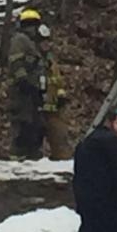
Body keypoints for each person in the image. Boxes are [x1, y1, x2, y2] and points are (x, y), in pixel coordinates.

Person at [8, 9, 47, 159]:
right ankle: (18, 156)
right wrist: (24, 82)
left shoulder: (32, 43)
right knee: (23, 123)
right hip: (22, 91)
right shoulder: (20, 40)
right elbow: (16, 63)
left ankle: (32, 156)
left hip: (33, 90)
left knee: (36, 125)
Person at [38, 26, 71, 160]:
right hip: (37, 108)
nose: (46, 44)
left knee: (59, 137)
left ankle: (61, 164)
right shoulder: (35, 60)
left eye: (47, 41)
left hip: (54, 108)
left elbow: (58, 82)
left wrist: (61, 96)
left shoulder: (51, 61)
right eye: (42, 41)